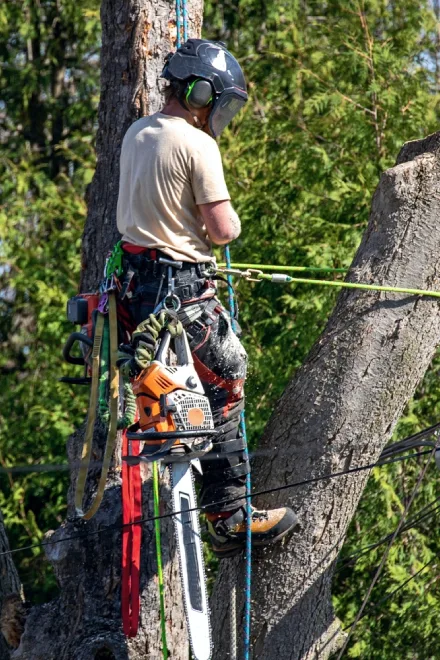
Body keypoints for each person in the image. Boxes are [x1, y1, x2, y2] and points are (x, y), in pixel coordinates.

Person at [116, 38, 298, 558]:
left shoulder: (136, 132)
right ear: (201, 93)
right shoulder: (198, 146)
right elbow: (222, 230)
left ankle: (179, 435)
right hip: (182, 288)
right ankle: (230, 515)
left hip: (138, 288)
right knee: (228, 374)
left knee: (176, 383)